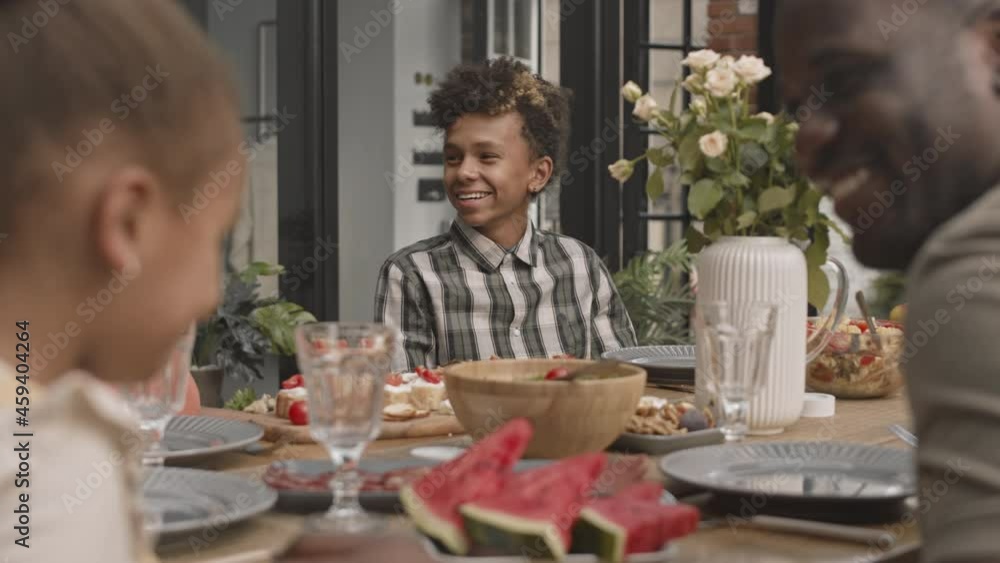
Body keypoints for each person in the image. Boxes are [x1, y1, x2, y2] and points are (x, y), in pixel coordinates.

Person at [777, 1, 1000, 562]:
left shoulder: (972, 266)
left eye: (846, 80)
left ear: (992, 50)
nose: (807, 142)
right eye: (799, 106)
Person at [374, 57, 637, 370]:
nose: (465, 172)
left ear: (538, 174)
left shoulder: (581, 265)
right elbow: (406, 403)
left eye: (487, 157)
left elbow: (622, 382)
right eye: (453, 158)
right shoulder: (411, 275)